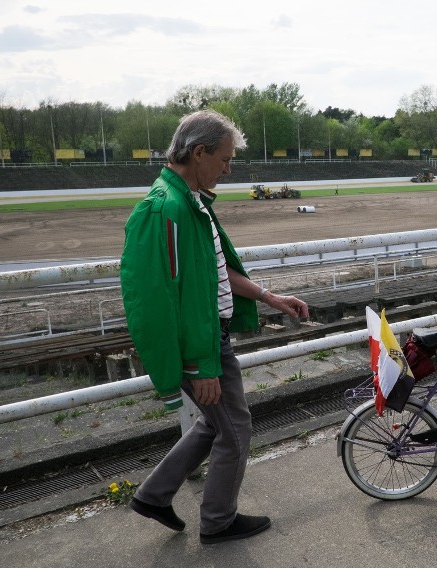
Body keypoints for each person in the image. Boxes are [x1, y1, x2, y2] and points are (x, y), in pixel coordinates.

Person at [120, 109, 309, 544]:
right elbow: (157, 304)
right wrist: (196, 366)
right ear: (199, 152)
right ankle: (218, 521)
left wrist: (270, 297)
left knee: (214, 424)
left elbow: (217, 276)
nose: (229, 169)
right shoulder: (164, 211)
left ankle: (154, 495)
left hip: (209, 340)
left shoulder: (191, 204)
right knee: (235, 429)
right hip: (202, 349)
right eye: (224, 159)